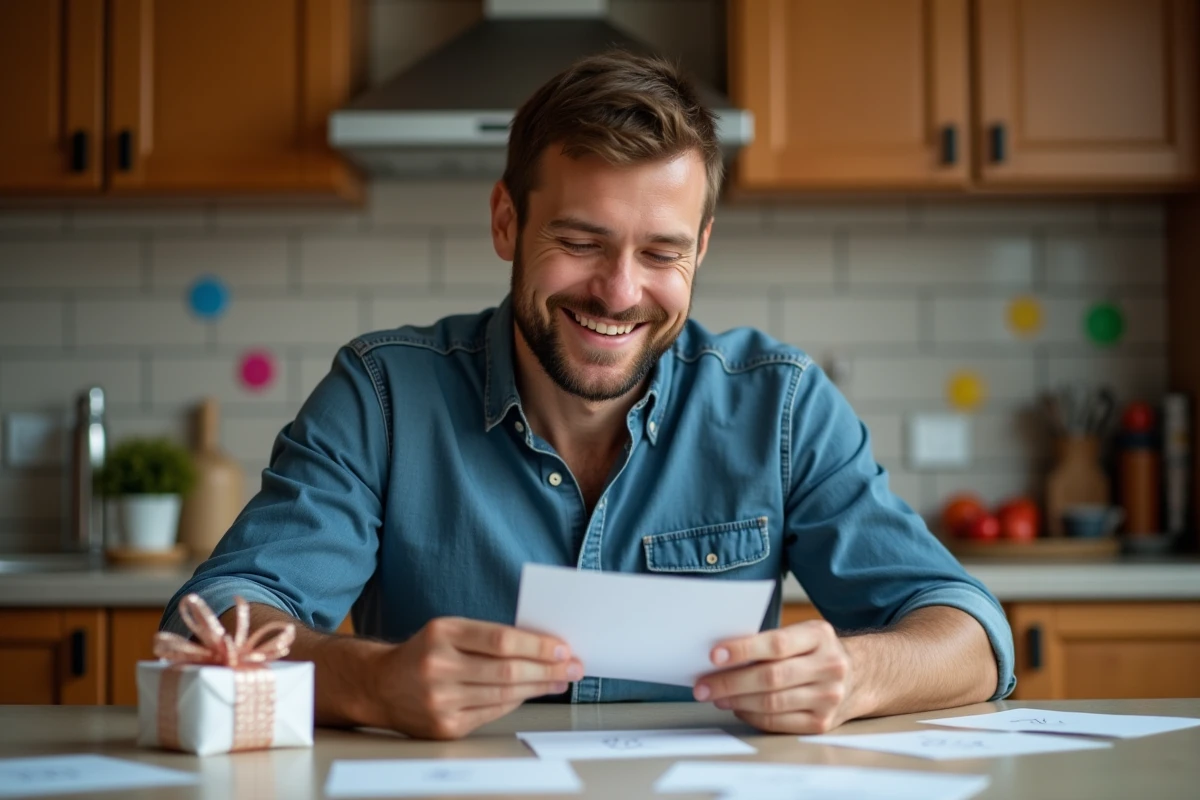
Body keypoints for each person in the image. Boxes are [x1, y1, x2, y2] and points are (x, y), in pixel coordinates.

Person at [162, 50, 1014, 740]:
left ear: (702, 249)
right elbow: (216, 623)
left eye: (661, 253)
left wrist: (857, 674)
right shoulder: (384, 393)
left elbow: (970, 634)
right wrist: (372, 681)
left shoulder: (780, 406)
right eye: (581, 241)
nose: (618, 291)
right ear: (507, 222)